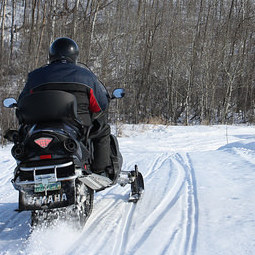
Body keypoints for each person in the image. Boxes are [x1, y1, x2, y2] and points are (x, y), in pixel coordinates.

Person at [18, 37, 113, 176]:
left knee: (21, 136)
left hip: (40, 126)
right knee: (103, 129)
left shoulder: (35, 77)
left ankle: (24, 167)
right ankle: (100, 170)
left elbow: (22, 104)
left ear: (51, 55)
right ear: (74, 55)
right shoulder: (86, 76)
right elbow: (100, 105)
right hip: (78, 126)